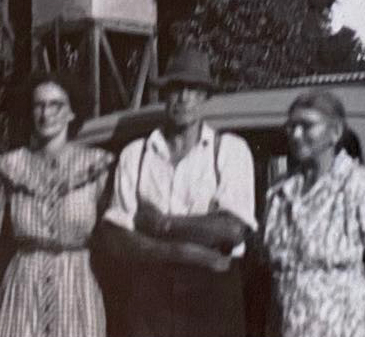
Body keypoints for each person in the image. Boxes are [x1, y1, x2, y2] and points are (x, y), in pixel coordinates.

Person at [99, 47, 257, 337]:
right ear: (164, 95)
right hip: (150, 292)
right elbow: (116, 237)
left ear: (205, 97)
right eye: (175, 89)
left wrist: (161, 224)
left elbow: (232, 229)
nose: (184, 98)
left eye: (193, 90)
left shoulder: (229, 150)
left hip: (212, 291)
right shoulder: (136, 153)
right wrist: (184, 251)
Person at [0, 73, 114, 337]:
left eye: (56, 105)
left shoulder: (96, 166)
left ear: (72, 112)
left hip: (76, 284)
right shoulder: (10, 166)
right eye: (39, 105)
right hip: (24, 286)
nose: (46, 113)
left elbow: (111, 233)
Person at [263, 89, 365, 337]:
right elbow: (275, 281)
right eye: (291, 126)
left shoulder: (363, 189)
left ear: (335, 132)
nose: (296, 134)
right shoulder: (280, 194)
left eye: (307, 126)